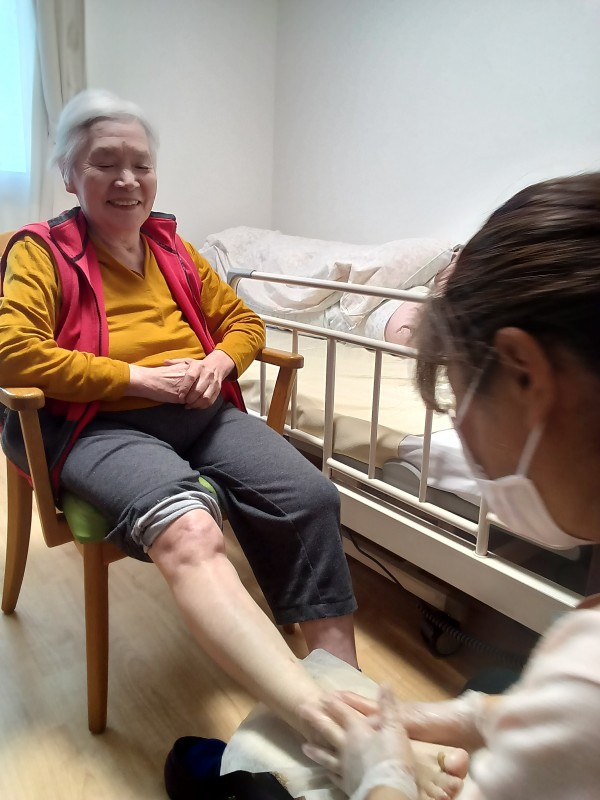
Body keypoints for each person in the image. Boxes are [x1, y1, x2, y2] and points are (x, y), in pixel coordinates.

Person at [0, 89, 358, 736]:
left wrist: (219, 363)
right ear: (69, 175)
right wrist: (137, 378)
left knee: (310, 497)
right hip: (96, 423)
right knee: (189, 529)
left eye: (141, 164)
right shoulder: (40, 251)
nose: (128, 180)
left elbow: (243, 323)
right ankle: (324, 726)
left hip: (201, 413)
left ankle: (350, 692)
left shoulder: (173, 248)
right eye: (105, 163)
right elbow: (12, 354)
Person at [300, 173, 600, 799]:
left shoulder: (585, 679)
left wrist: (379, 775)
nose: (459, 427)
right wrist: (464, 719)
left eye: (458, 397)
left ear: (525, 374)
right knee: (492, 683)